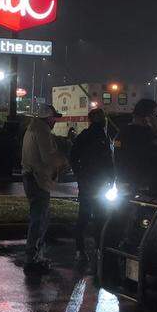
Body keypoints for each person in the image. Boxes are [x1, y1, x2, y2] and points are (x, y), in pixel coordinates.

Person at [21, 104, 69, 275]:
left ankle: (34, 256)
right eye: (54, 118)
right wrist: (63, 161)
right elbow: (48, 156)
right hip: (37, 180)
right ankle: (33, 257)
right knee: (39, 219)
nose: (55, 121)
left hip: (31, 177)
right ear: (48, 118)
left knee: (40, 216)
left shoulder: (32, 129)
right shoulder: (42, 131)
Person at [68, 108, 114, 262]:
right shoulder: (101, 136)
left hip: (89, 182)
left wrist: (79, 173)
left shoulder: (87, 135)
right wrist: (112, 178)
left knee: (85, 215)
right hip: (98, 182)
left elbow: (73, 155)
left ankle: (81, 249)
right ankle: (98, 248)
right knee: (99, 216)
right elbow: (108, 160)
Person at [115, 99, 157, 190]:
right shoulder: (149, 135)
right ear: (149, 116)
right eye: (155, 114)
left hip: (127, 185)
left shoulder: (122, 133)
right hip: (148, 186)